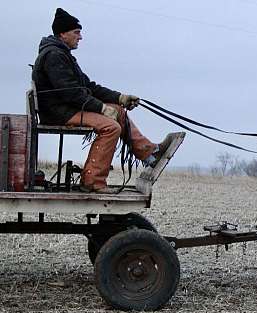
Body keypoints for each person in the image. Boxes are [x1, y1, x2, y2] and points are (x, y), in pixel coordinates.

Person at [32, 8, 178, 194]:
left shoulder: (62, 54)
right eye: (76, 32)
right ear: (63, 33)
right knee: (111, 127)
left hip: (65, 108)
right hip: (59, 112)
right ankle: (92, 182)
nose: (80, 37)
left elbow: (89, 87)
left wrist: (120, 98)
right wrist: (101, 108)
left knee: (118, 110)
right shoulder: (55, 56)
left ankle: (149, 153)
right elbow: (72, 94)